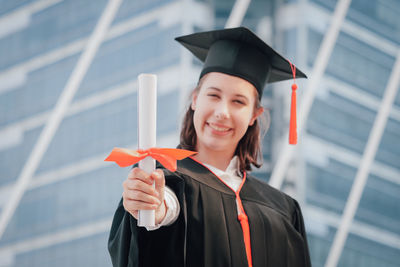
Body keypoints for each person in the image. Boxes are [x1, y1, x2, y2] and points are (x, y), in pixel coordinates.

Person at [108, 27, 311, 267]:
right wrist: (154, 210)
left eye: (238, 101)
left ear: (254, 115)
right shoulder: (166, 179)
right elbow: (166, 209)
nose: (222, 113)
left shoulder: (284, 209)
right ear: (195, 98)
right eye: (213, 96)